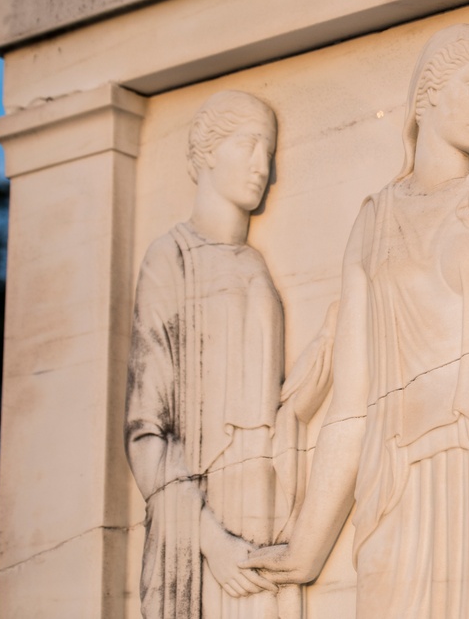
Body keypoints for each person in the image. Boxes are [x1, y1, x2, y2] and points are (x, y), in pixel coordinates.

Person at [245, 24, 469, 618]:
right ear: (426, 96)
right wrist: (307, 547)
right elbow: (350, 406)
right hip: (395, 483)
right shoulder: (374, 221)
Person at [125, 90, 333, 618]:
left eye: (270, 150)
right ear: (207, 152)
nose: (263, 166)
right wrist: (210, 540)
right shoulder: (170, 258)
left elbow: (267, 419)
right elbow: (145, 432)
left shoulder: (255, 267)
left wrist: (317, 370)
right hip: (202, 528)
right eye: (249, 145)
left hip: (263, 515)